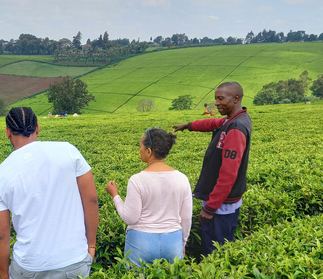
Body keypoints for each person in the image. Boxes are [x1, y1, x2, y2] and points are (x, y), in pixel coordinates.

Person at [0, 107, 99, 279]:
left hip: (29, 268)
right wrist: (91, 245)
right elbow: (91, 200)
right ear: (37, 128)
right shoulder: (68, 150)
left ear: (7, 132)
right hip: (74, 260)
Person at [173, 81, 251, 256]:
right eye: (216, 99)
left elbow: (228, 174)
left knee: (215, 249)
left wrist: (210, 208)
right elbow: (213, 123)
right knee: (214, 244)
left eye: (220, 99)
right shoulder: (232, 120)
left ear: (236, 98)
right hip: (220, 202)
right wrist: (188, 126)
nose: (216, 103)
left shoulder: (236, 128)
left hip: (222, 205)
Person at [105, 127, 192, 267]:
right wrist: (182, 243)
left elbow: (130, 218)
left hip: (141, 242)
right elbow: (186, 218)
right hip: (173, 240)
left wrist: (115, 195)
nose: (139, 150)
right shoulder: (182, 178)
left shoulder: (137, 180)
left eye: (141, 147)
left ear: (149, 151)